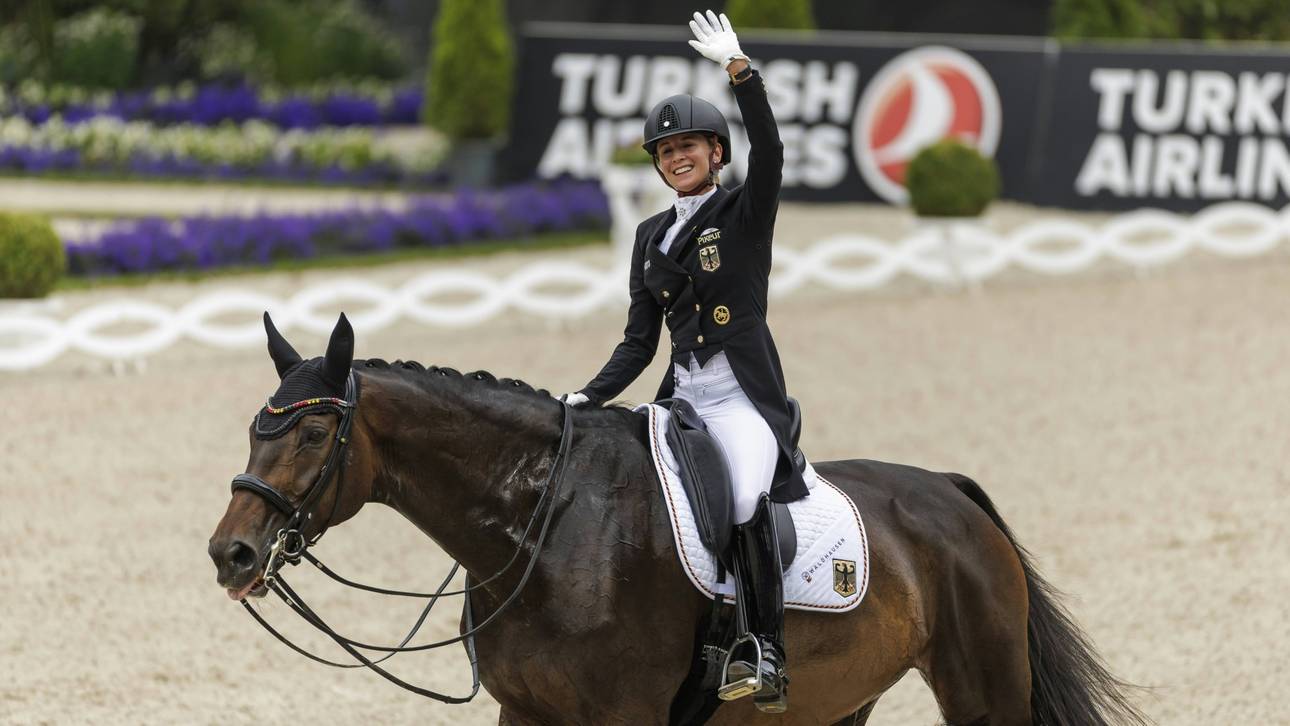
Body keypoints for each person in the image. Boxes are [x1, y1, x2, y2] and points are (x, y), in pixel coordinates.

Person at [560, 10, 807, 713]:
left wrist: (740, 71)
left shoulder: (743, 213)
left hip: (744, 398)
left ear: (716, 153)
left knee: (740, 500)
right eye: (665, 151)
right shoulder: (647, 236)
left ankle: (765, 649)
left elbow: (774, 146)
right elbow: (640, 340)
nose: (676, 157)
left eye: (689, 146)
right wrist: (589, 395)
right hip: (682, 397)